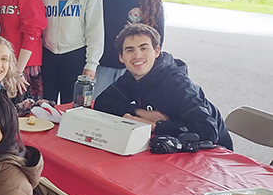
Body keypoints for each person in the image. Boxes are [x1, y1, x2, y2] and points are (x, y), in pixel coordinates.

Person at [94, 23, 233, 149]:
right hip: (171, 145)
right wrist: (139, 112)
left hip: (213, 154)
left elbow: (207, 131)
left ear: (156, 51)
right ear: (121, 57)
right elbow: (102, 103)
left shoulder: (177, 83)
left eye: (144, 48)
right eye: (130, 50)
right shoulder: (132, 76)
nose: (137, 55)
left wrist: (154, 126)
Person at [96, 0, 165, 97]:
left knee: (130, 105)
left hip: (135, 63)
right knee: (100, 102)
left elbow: (158, 32)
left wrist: (152, 59)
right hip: (105, 61)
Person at [38, 0, 103, 104]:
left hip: (75, 55)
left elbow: (95, 29)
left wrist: (91, 63)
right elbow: (39, 26)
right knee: (46, 105)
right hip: (49, 55)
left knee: (72, 105)